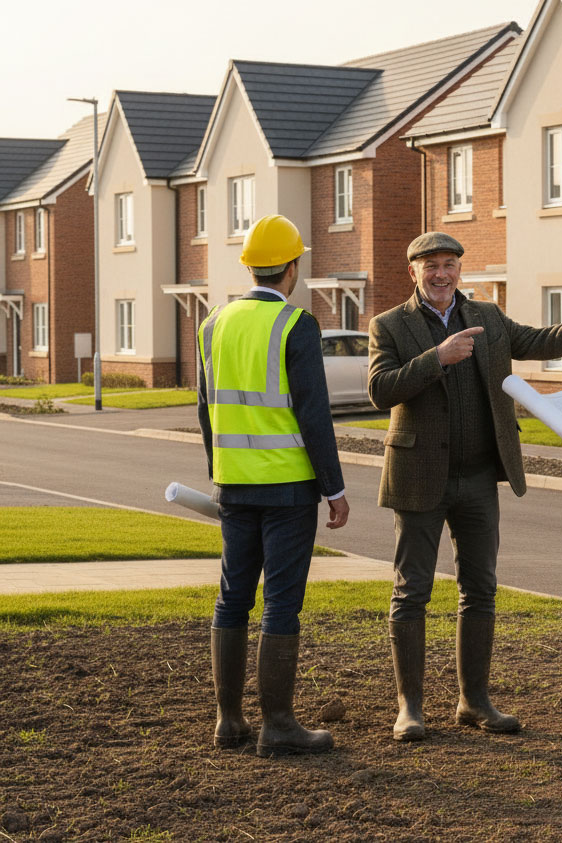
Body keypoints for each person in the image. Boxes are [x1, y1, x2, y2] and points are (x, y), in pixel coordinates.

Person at [368, 232, 562, 741]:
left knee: (480, 590)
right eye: (431, 266)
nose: (441, 274)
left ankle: (474, 700)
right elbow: (379, 389)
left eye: (450, 265)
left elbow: (535, 341)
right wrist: (435, 358)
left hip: (480, 476)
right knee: (411, 591)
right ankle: (410, 708)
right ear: (412, 272)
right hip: (418, 476)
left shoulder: (486, 316)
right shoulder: (390, 325)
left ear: (460, 270)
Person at [197, 214, 350, 758]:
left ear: (249, 267)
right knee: (281, 603)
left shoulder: (212, 323)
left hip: (234, 487)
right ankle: (279, 725)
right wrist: (334, 489)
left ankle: (229, 721)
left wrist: (222, 471)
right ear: (292, 267)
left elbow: (205, 410)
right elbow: (314, 415)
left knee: (232, 598)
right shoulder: (297, 324)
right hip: (287, 489)